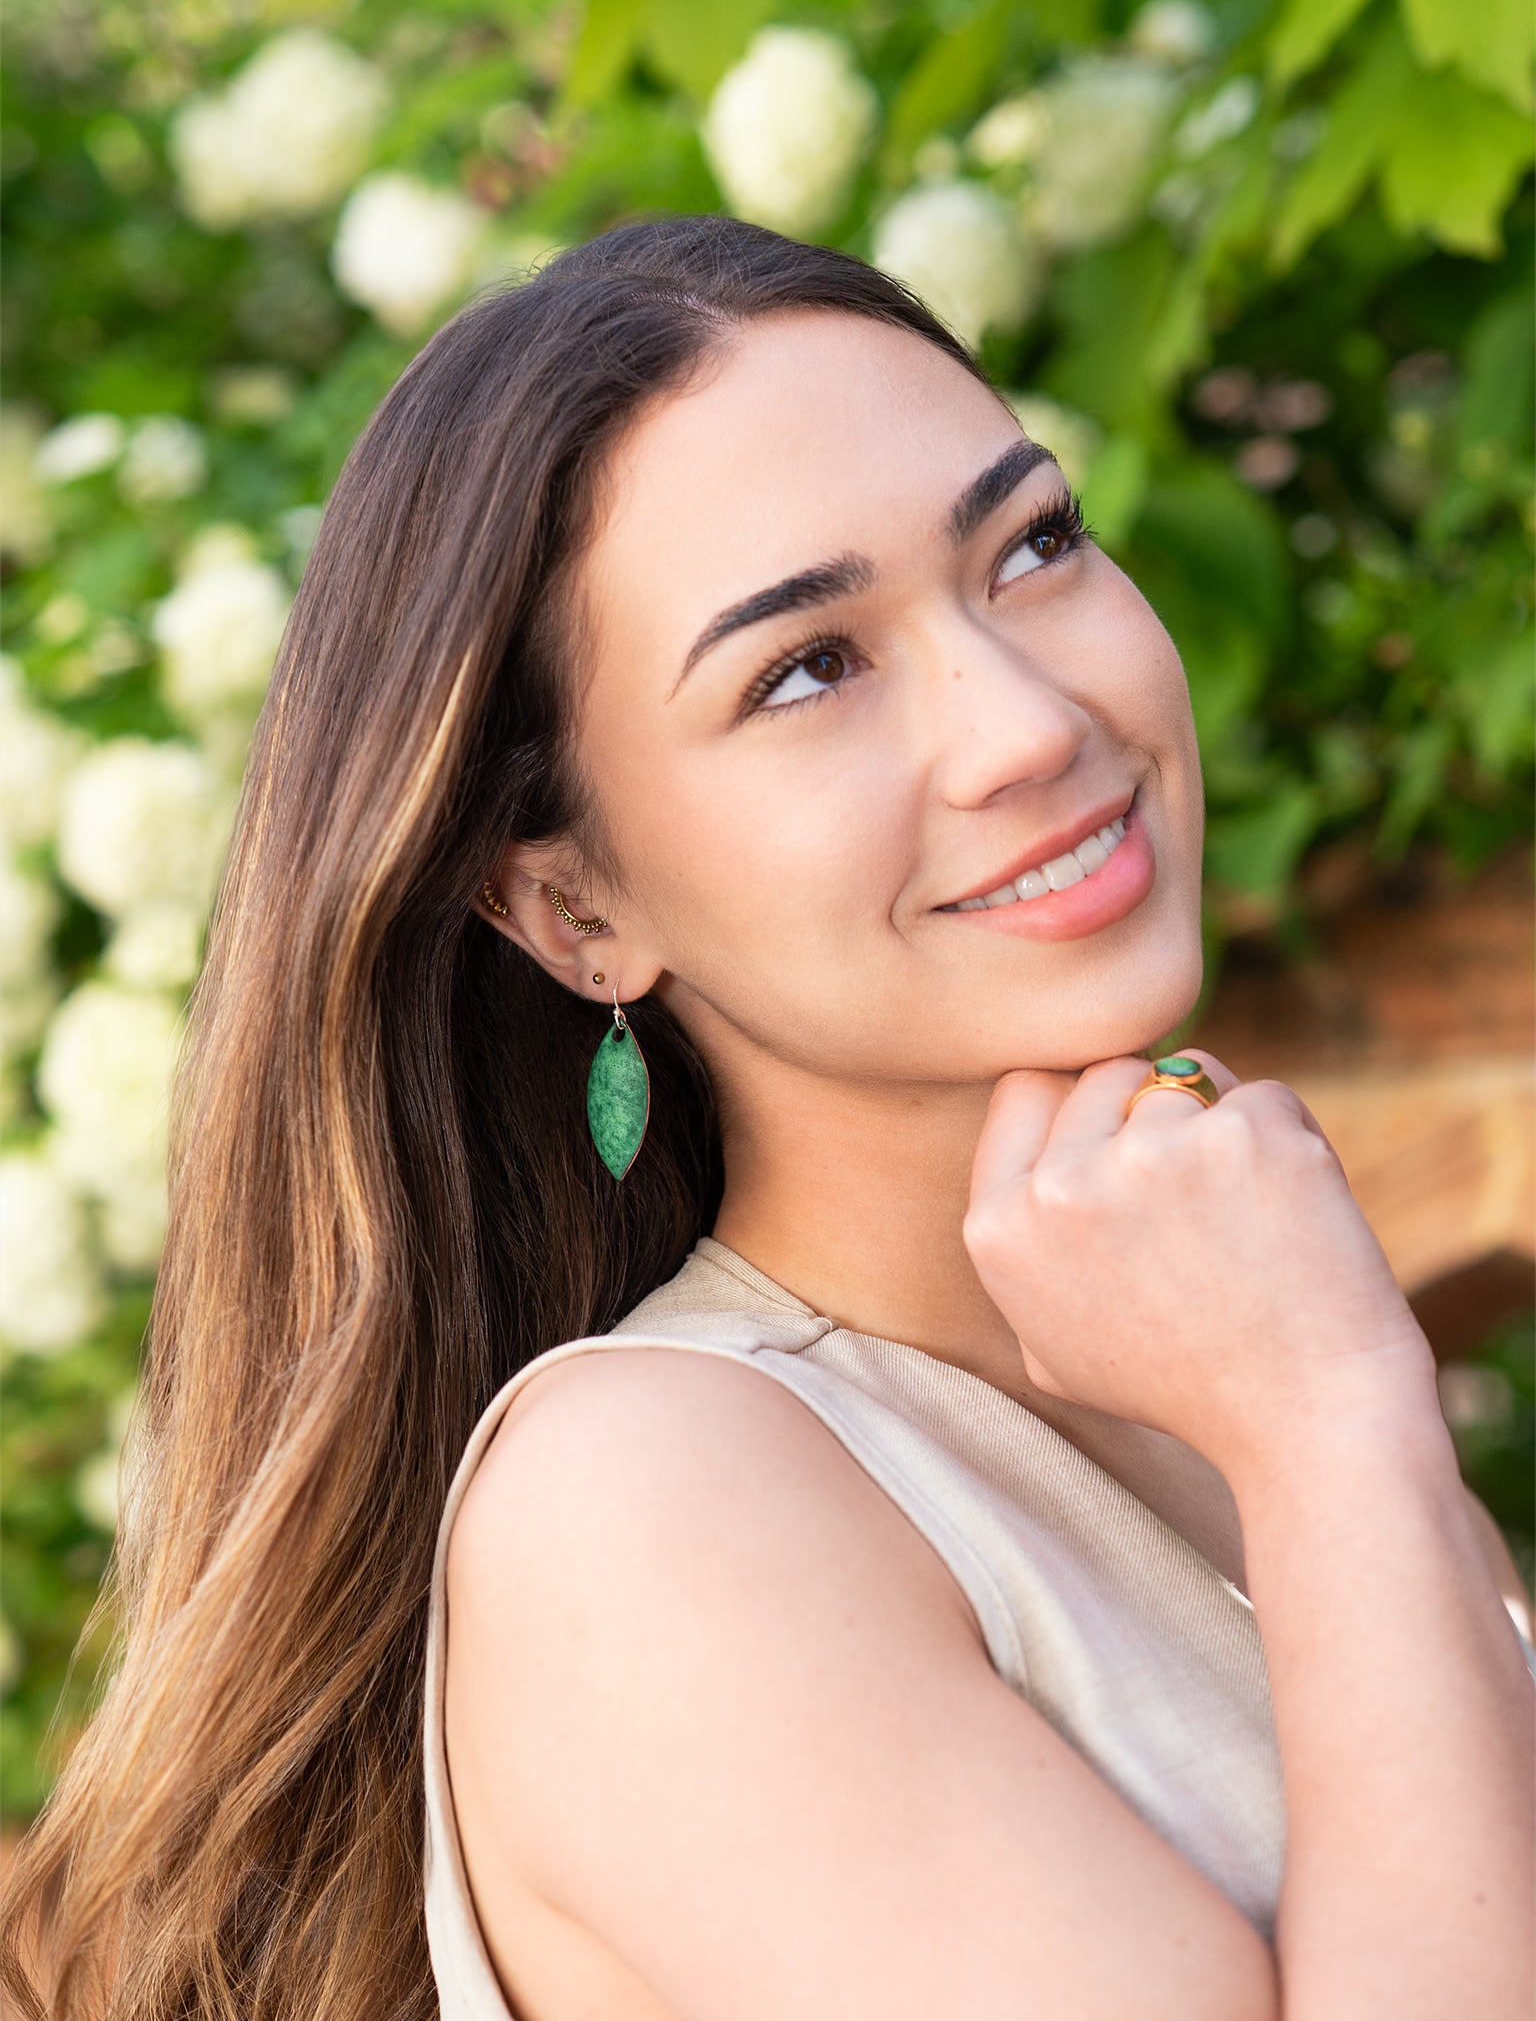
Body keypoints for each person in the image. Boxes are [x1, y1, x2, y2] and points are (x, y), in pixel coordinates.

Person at [2, 215, 1531, 2021]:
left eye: (1033, 545)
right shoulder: (641, 1509)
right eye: (807, 666)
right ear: (576, 910)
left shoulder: (1218, 1373)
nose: (1028, 724)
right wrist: (1339, 1421)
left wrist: (1312, 1418)